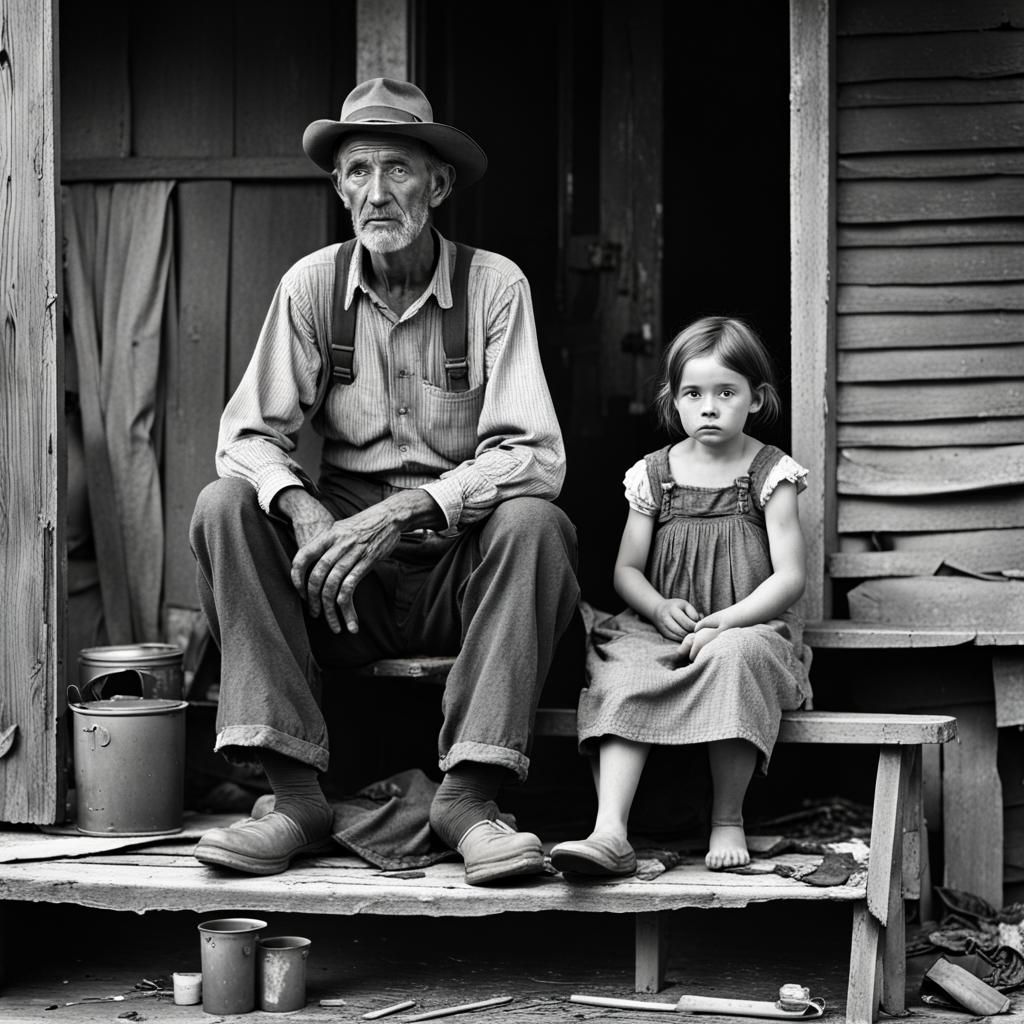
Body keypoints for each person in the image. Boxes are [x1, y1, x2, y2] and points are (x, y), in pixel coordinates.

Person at [189, 78, 579, 885]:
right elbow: (244, 438)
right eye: (357, 171)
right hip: (342, 580)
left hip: (456, 568)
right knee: (226, 504)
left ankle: (469, 800)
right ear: (338, 186)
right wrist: (299, 508)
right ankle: (295, 798)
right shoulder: (311, 287)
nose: (376, 191)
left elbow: (537, 455)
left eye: (397, 169)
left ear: (436, 186)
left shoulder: (493, 286)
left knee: (538, 523)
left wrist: (413, 505)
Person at [550, 316, 812, 876]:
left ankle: (728, 818)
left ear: (757, 400)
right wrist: (658, 606)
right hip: (662, 626)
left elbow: (790, 578)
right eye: (694, 394)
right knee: (621, 673)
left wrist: (728, 621)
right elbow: (625, 570)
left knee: (732, 660)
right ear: (673, 401)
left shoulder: (772, 474)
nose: (709, 407)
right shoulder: (653, 475)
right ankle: (610, 831)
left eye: (726, 392)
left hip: (749, 624)